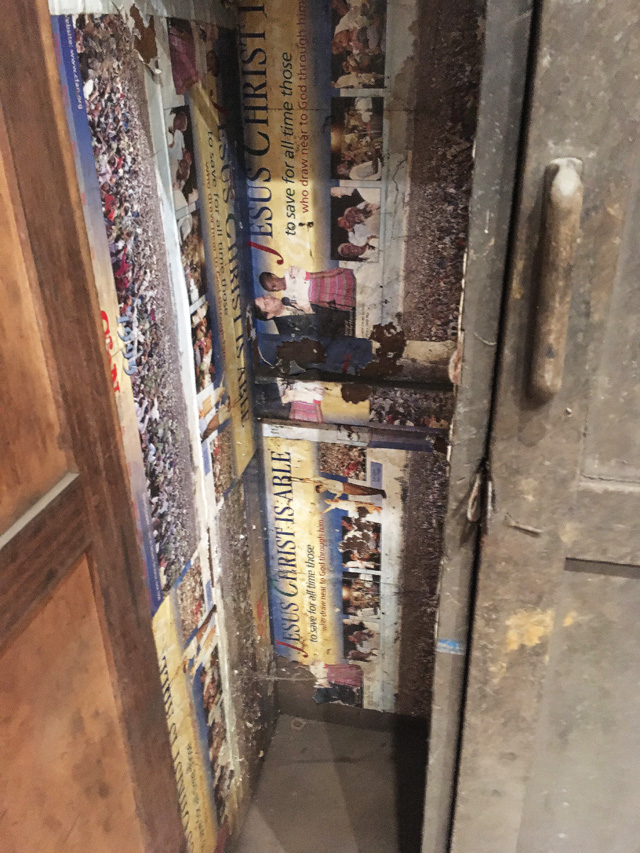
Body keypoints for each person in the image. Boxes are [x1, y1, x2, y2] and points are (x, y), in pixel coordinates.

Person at [259, 265, 356, 312]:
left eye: (273, 285)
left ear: (273, 275)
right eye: (273, 290)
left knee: (347, 284)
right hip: (320, 297)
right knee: (347, 299)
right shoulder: (287, 296)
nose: (276, 288)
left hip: (321, 283)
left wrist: (332, 274)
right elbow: (308, 304)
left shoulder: (290, 273)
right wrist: (325, 304)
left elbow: (314, 275)